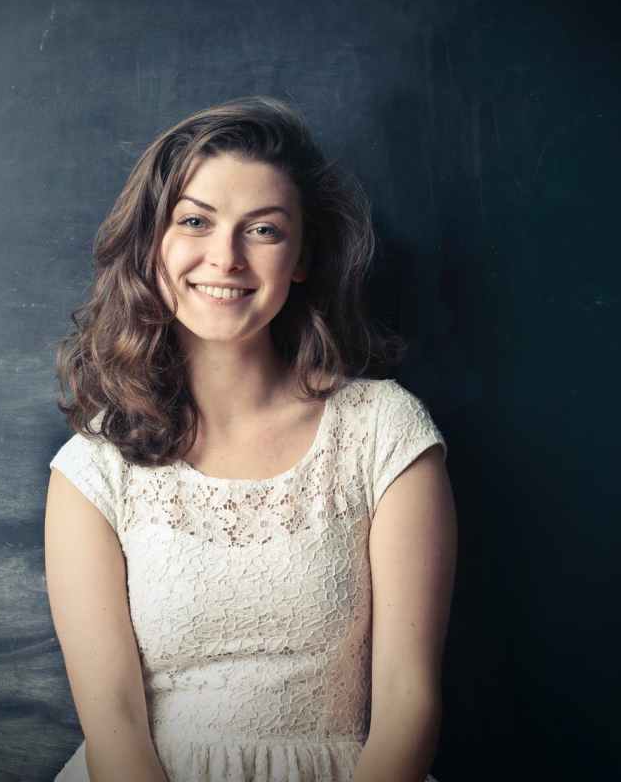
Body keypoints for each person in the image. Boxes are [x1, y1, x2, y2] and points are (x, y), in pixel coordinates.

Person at [44, 96, 457, 782]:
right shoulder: (92, 468)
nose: (225, 257)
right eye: (195, 221)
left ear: (300, 257)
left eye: (262, 230)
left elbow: (409, 704)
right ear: (153, 243)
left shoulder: (386, 431)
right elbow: (113, 723)